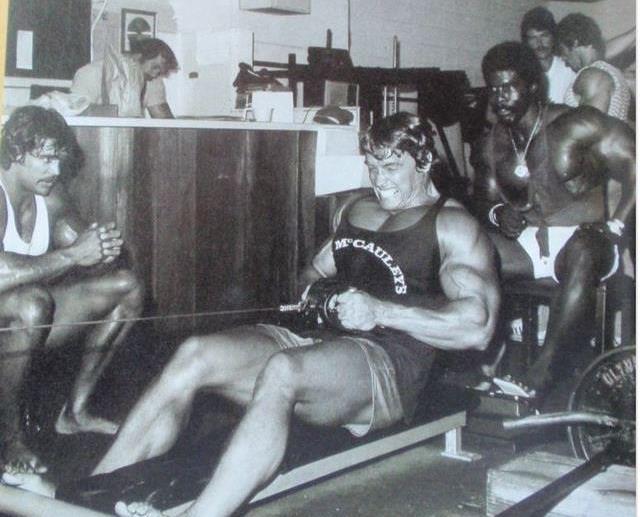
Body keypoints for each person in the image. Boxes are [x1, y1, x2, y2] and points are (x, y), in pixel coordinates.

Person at [11, 112, 499, 516]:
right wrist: (321, 296)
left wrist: (381, 311)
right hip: (316, 340)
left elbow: (476, 327)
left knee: (283, 371)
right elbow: (309, 276)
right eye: (372, 164)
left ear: (424, 161)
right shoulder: (357, 209)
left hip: (385, 366)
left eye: (392, 166)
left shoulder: (453, 226)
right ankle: (91, 498)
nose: (379, 177)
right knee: (196, 353)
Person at [473, 42, 635, 401]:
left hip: (588, 243)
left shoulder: (576, 124)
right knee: (465, 244)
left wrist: (618, 228)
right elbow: (482, 199)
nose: (499, 98)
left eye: (509, 87)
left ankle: (542, 373)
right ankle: (473, 364)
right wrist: (499, 213)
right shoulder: (492, 143)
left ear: (532, 85)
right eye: (493, 88)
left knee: (582, 248)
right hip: (530, 243)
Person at [0, 106, 144, 475]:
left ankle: (75, 413)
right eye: (46, 159)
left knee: (127, 286)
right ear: (15, 153)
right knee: (32, 304)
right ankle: (8, 438)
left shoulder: (51, 195)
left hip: (21, 324)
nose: (56, 170)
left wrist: (101, 248)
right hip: (20, 315)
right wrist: (71, 255)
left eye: (59, 160)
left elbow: (80, 247)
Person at [71, 38, 178, 119]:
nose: (155, 74)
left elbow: (164, 120)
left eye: (159, 71)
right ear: (137, 57)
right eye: (155, 67)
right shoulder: (91, 73)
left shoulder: (152, 79)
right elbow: (76, 112)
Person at [557, 13, 632, 121]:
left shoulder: (593, 75)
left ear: (574, 42)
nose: (563, 58)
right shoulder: (610, 71)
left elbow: (589, 127)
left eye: (562, 50)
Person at [521, 6, 576, 105]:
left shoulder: (569, 67)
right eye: (533, 38)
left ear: (553, 37)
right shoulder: (522, 72)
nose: (539, 43)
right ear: (526, 42)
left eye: (544, 35)